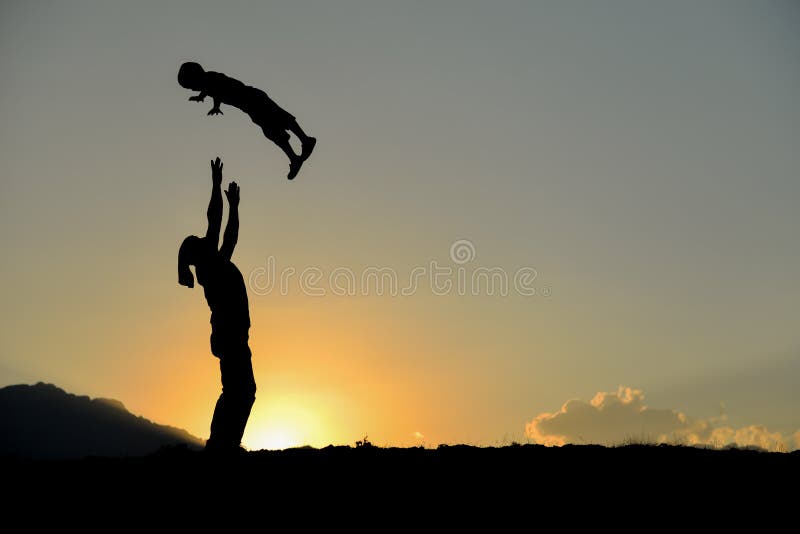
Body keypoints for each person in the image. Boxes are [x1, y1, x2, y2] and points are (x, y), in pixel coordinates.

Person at [178, 157, 256, 453]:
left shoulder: (215, 264)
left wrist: (234, 206)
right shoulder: (210, 268)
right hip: (228, 334)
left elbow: (227, 235)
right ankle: (222, 445)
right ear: (196, 253)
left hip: (232, 334)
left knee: (240, 391)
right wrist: (216, 186)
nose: (203, 237)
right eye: (198, 240)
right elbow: (215, 221)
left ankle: (224, 443)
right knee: (240, 390)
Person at [178, 61, 316, 180]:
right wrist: (213, 104)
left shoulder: (211, 78)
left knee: (280, 118)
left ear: (195, 77)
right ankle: (294, 158)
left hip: (254, 99)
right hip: (250, 107)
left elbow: (211, 87)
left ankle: (305, 140)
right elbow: (213, 92)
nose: (192, 89)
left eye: (190, 86)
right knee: (272, 131)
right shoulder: (209, 83)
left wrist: (203, 97)